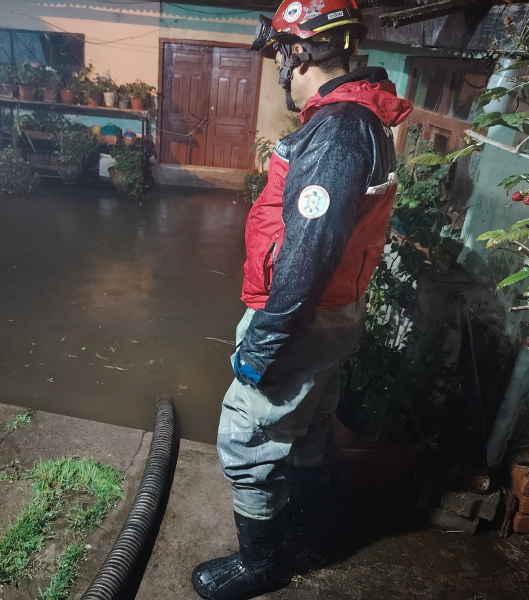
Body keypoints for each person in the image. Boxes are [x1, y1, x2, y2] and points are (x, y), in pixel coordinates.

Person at [191, 1, 413, 598]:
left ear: (303, 52)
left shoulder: (338, 130)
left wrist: (264, 339)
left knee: (248, 435)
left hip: (303, 315)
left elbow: (309, 251)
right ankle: (312, 524)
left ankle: (260, 565)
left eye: (283, 55)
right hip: (333, 310)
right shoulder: (359, 116)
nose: (281, 70)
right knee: (310, 420)